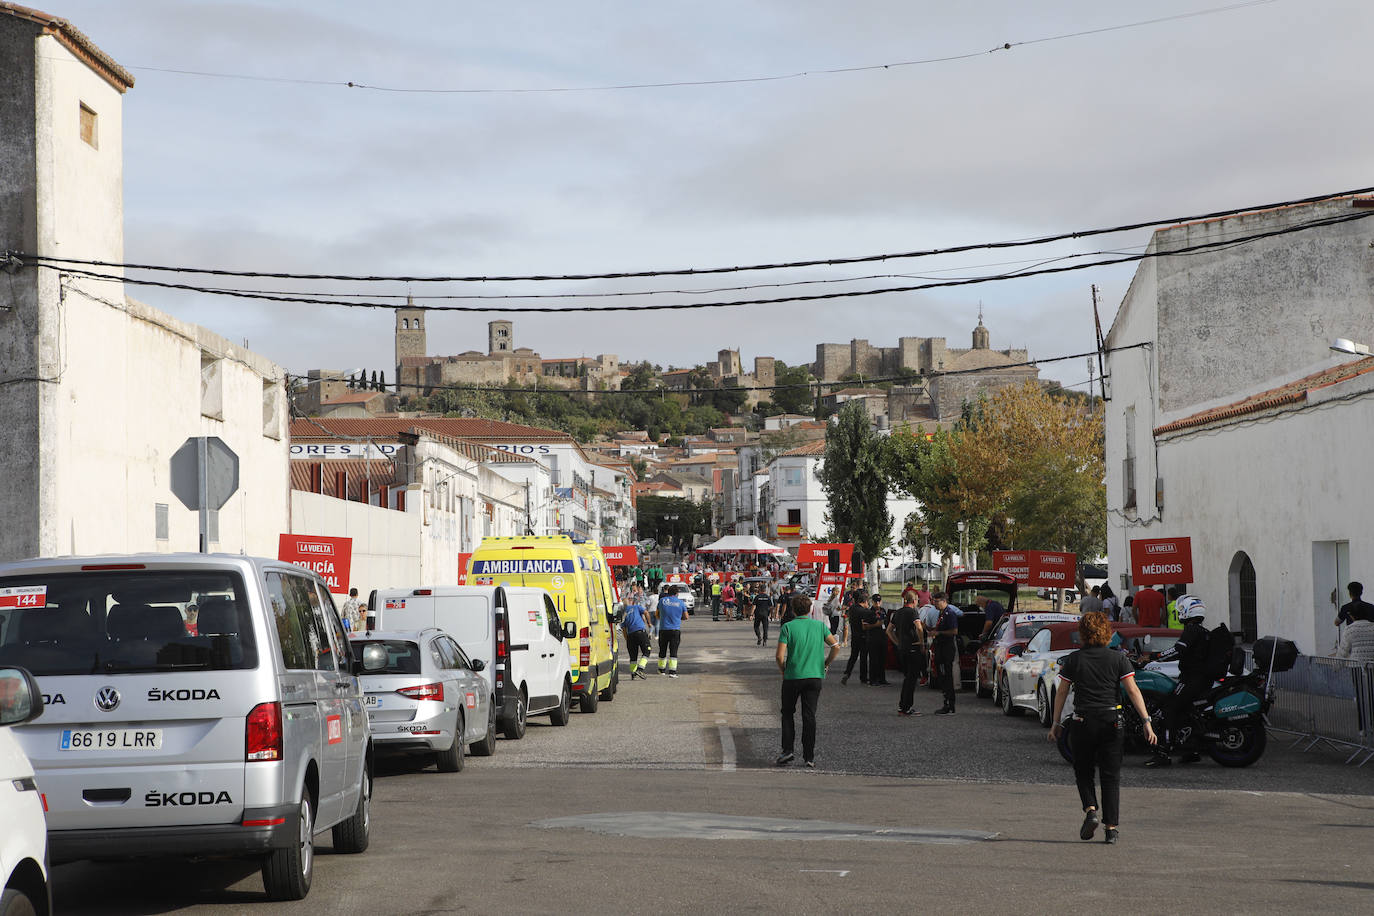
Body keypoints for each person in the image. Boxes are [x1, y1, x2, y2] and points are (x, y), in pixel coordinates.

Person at [1047, 611, 1157, 845]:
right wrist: (1147, 722)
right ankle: (1111, 829)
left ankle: (1090, 810)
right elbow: (1133, 691)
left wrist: (1056, 723)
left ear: (1083, 634)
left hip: (1082, 721)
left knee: (1083, 770)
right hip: (1112, 720)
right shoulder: (1118, 659)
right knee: (1110, 775)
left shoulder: (1074, 659)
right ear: (1106, 633)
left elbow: (1062, 692)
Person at [775, 594, 840, 767]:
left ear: (793, 610)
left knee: (788, 713)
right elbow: (835, 646)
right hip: (814, 676)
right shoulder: (819, 626)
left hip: (793, 676)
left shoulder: (788, 627)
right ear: (811, 609)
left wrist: (784, 670)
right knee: (809, 716)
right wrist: (825, 664)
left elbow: (779, 656)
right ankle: (809, 756)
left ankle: (787, 750)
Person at [1146, 595, 1211, 766]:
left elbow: (1177, 651)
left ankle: (1163, 752)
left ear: (1189, 611)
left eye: (1181, 610)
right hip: (1199, 679)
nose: (1179, 614)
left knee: (1169, 708)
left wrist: (1154, 657)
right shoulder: (1202, 631)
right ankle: (1192, 749)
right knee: (1186, 712)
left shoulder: (1191, 630)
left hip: (1192, 679)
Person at [889, 593, 926, 717]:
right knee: (912, 679)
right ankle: (907, 707)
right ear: (914, 601)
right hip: (912, 648)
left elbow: (888, 631)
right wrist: (921, 642)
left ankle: (902, 706)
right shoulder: (913, 612)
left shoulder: (897, 613)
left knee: (907, 678)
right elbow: (919, 628)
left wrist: (897, 643)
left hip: (902, 649)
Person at [930, 592, 959, 715]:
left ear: (943, 601)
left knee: (947, 677)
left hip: (946, 649)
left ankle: (949, 705)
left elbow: (954, 631)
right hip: (940, 648)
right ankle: (946, 702)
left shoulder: (949, 613)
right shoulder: (941, 614)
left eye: (936, 601)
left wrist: (939, 633)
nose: (934, 604)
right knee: (941, 677)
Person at [656, 585, 690, 678]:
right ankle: (672, 671)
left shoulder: (662, 601)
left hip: (663, 629)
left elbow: (657, 614)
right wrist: (678, 618)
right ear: (676, 593)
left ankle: (661, 669)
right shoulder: (680, 603)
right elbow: (686, 617)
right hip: (675, 629)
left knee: (662, 650)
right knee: (673, 651)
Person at [620, 594, 653, 679]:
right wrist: (649, 623)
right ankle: (640, 669)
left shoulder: (623, 613)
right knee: (647, 650)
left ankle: (633, 674)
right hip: (640, 632)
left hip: (630, 635)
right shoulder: (636, 607)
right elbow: (646, 612)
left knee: (633, 656)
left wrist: (627, 639)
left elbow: (623, 628)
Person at [840, 590, 869, 685]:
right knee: (863, 658)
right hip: (863, 636)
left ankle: (847, 672)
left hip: (855, 635)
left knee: (853, 656)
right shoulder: (864, 611)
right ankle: (863, 677)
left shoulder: (852, 609)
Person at [864, 595, 890, 687]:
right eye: (876, 602)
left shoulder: (883, 610)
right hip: (873, 638)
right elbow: (865, 626)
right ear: (872, 602)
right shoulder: (869, 612)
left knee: (882, 659)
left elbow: (886, 623)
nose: (877, 603)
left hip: (883, 637)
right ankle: (873, 679)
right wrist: (876, 625)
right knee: (874, 660)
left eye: (879, 601)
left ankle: (882, 678)